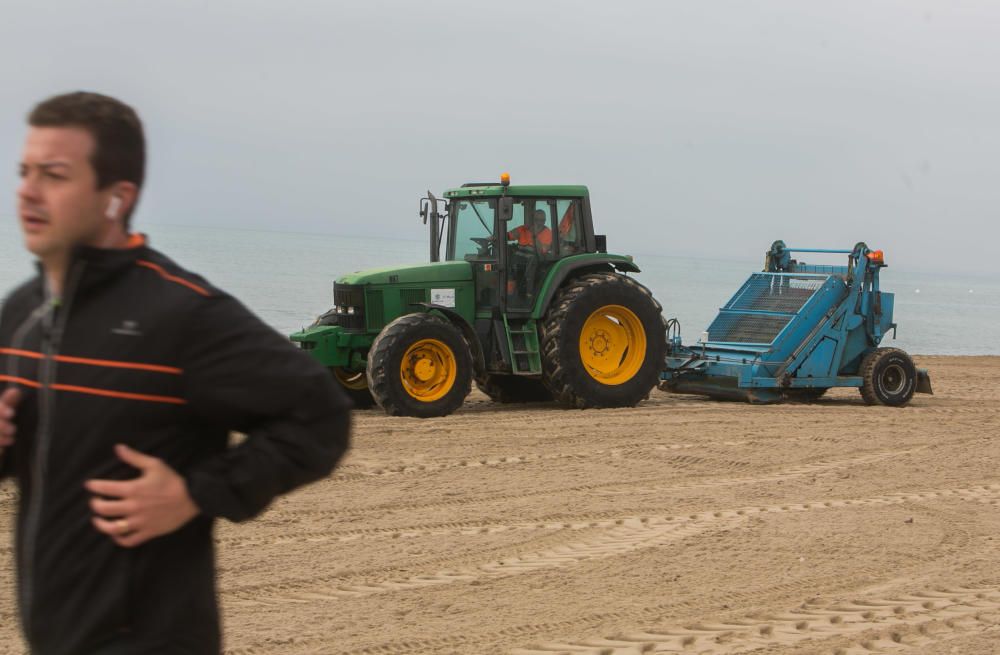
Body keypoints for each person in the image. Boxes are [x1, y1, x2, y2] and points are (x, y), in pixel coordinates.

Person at [0, 91, 351, 655]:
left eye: (55, 175)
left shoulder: (183, 315)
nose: (27, 191)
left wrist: (196, 492)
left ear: (117, 198)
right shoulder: (22, 313)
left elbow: (321, 414)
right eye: (24, 171)